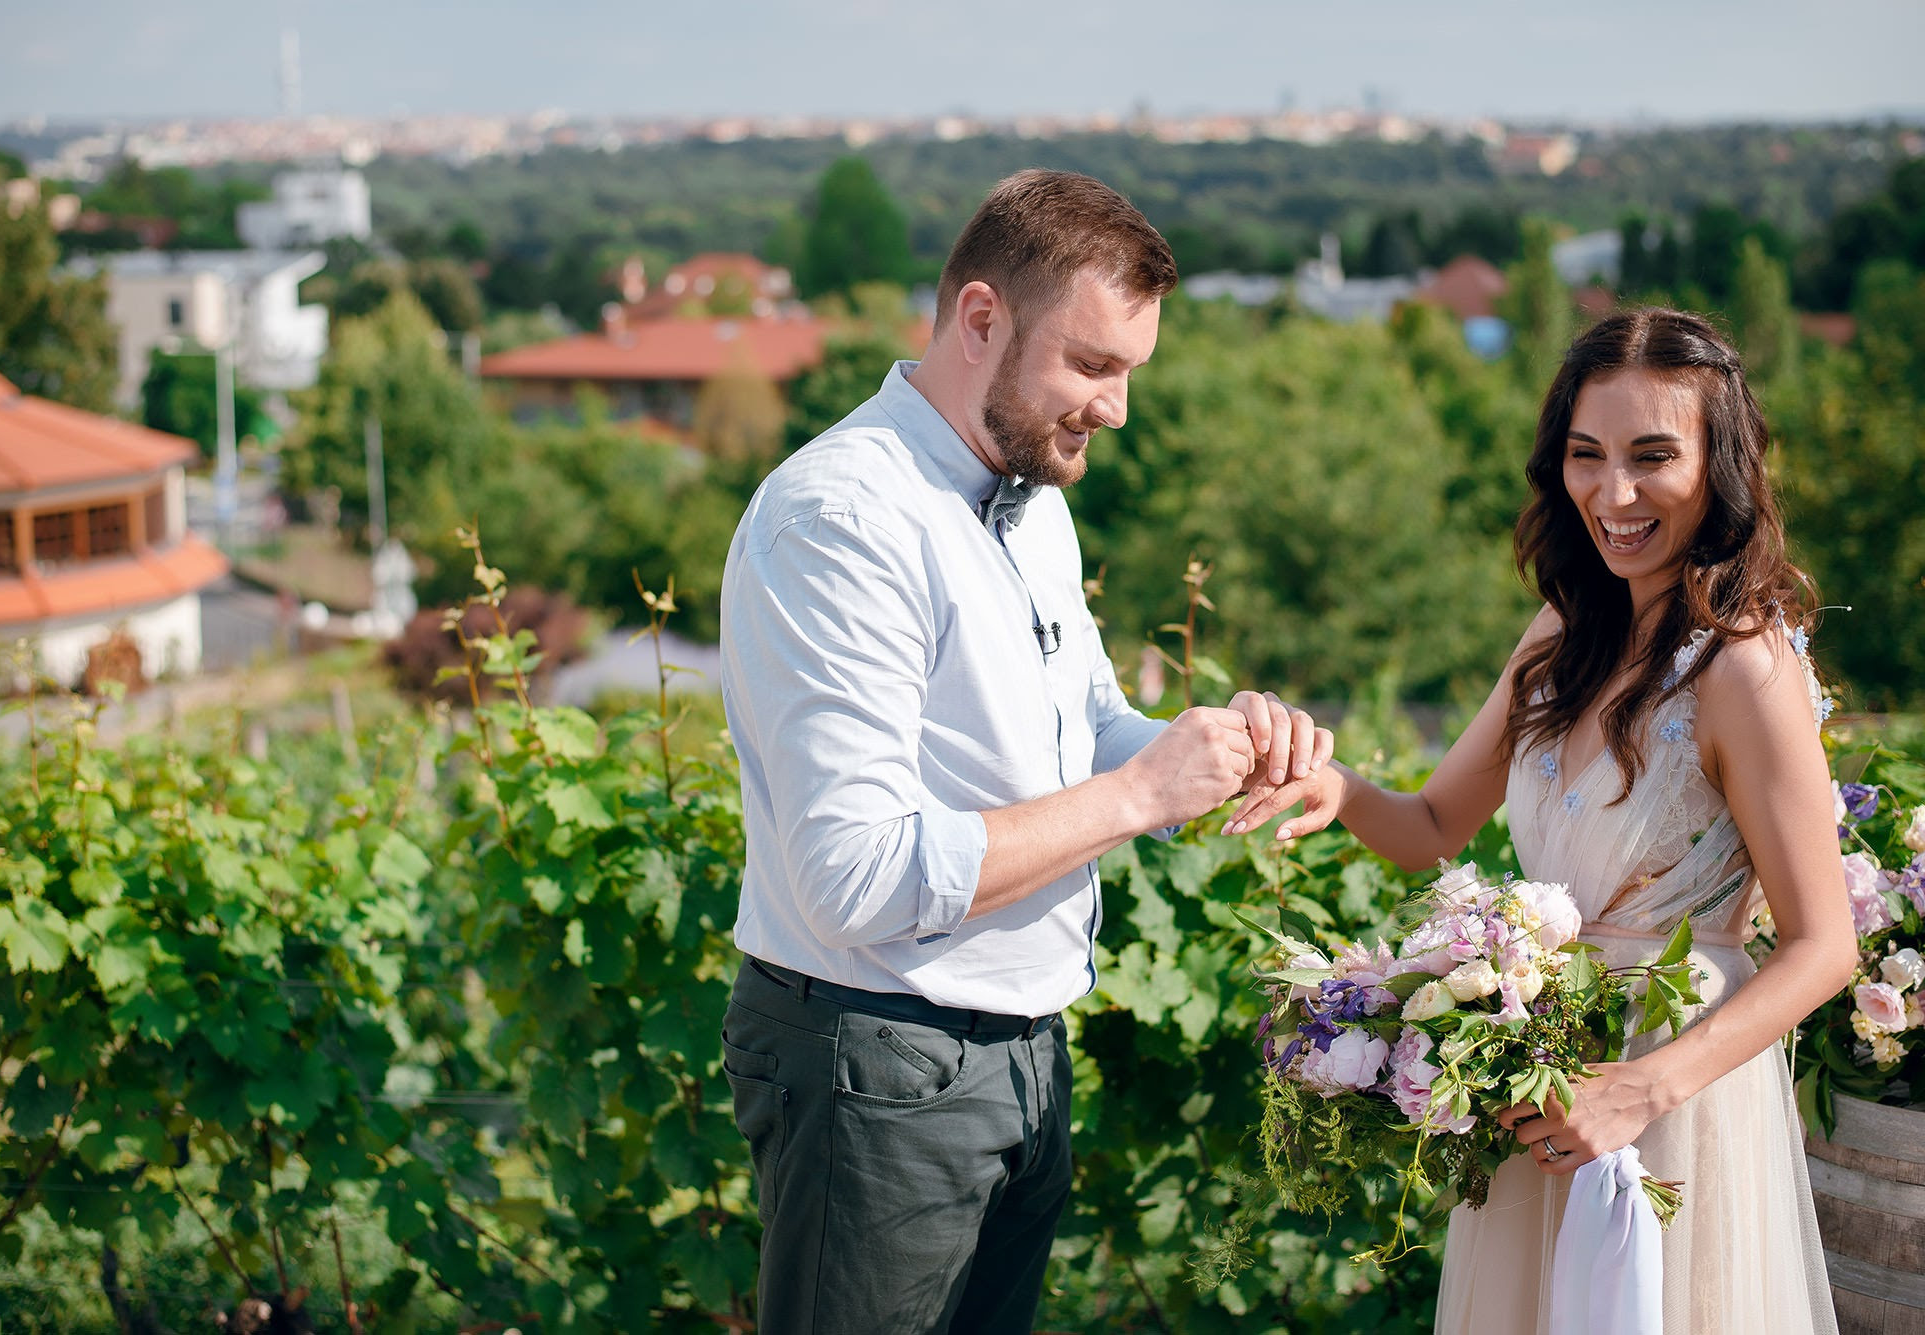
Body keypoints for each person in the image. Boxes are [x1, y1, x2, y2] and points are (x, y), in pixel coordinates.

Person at [716, 169, 1331, 1335]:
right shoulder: (843, 523)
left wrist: (1215, 752)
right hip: (876, 1065)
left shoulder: (1028, 497)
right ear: (979, 320)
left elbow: (1083, 728)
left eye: (1129, 371)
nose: (1116, 409)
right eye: (1092, 364)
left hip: (1017, 1055)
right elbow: (853, 880)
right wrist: (1138, 793)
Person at [1230, 308, 1854, 1333]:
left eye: (1652, 456)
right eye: (1585, 454)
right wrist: (1335, 788)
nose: (1613, 493)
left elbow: (1822, 945)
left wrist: (1640, 1091)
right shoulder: (1560, 634)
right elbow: (1432, 823)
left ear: (1721, 466)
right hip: (1539, 1082)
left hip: (1671, 1097)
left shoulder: (1744, 669)